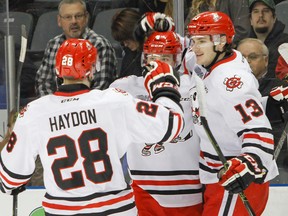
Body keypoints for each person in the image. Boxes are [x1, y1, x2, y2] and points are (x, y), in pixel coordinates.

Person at [0, 38, 184, 215]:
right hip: (116, 210)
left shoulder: (33, 112)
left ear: (57, 70)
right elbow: (172, 124)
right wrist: (164, 87)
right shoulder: (114, 101)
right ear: (93, 69)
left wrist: (12, 185)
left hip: (63, 212)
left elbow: (8, 179)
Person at [187, 11, 278, 215]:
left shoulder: (231, 82)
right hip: (217, 174)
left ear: (221, 42)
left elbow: (258, 130)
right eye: (194, 40)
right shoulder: (212, 63)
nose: (194, 48)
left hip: (236, 177)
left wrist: (248, 163)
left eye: (201, 41)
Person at [110, 30, 203, 216]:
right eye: (153, 57)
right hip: (145, 185)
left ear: (177, 59)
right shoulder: (124, 88)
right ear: (144, 59)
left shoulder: (193, 84)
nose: (158, 63)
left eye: (165, 58)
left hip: (189, 184)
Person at [35, 0, 117, 97]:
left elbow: (101, 87)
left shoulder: (100, 45)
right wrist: (54, 106)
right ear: (59, 21)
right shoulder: (53, 44)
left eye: (78, 16)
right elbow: (43, 83)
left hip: (89, 108)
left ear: (86, 17)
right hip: (58, 108)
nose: (74, 21)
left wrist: (73, 107)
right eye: (68, 17)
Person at [237, 37, 288, 167]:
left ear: (266, 61)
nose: (247, 62)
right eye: (242, 58)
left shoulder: (280, 89)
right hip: (237, 162)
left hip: (276, 165)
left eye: (253, 57)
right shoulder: (224, 89)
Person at [249, 0, 288, 78]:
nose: (260, 15)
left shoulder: (285, 45)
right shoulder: (246, 47)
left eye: (266, 11)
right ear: (250, 20)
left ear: (274, 18)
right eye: (256, 11)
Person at [111, 8, 143, 78]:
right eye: (123, 42)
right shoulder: (128, 53)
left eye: (127, 41)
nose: (125, 45)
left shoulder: (152, 54)